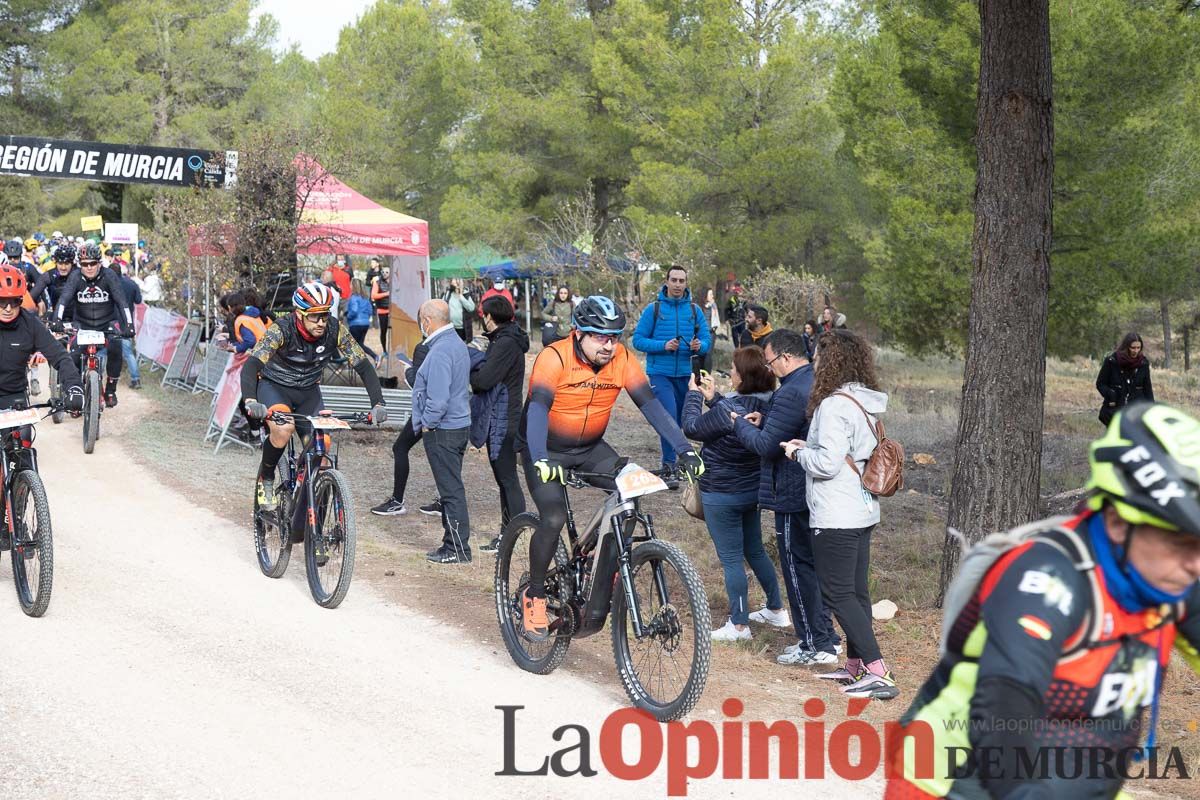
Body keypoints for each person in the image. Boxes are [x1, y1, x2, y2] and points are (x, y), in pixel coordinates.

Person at [887, 402, 1200, 798]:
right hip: (957, 780)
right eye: (1178, 542)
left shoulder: (1170, 577)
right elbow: (1005, 708)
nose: (1195, 563)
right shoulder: (1047, 577)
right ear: (1119, 521)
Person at [518, 295, 705, 639]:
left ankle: (602, 569)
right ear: (578, 333)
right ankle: (536, 595)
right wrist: (540, 458)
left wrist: (683, 450)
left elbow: (651, 406)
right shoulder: (554, 357)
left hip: (590, 448)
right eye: (600, 336)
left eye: (615, 336)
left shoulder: (622, 359)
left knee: (632, 494)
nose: (609, 345)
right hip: (545, 448)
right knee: (554, 516)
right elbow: (538, 408)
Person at [783, 329, 895, 699]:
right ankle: (855, 666)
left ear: (830, 362)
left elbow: (828, 464)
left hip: (836, 512)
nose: (813, 363)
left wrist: (797, 453)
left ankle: (877, 671)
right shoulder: (862, 402)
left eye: (817, 357)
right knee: (857, 593)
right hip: (862, 510)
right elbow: (845, 451)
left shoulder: (832, 405)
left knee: (837, 594)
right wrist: (809, 445)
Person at [731, 329, 841, 665]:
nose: (769, 368)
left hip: (792, 491)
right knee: (812, 566)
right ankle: (827, 638)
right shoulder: (813, 381)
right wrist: (766, 420)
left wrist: (739, 424)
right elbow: (789, 429)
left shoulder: (792, 391)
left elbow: (767, 446)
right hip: (810, 491)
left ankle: (814, 643)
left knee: (797, 568)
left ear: (786, 357)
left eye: (770, 361)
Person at [241, 282, 386, 511]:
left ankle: (306, 497)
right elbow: (251, 365)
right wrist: (250, 400)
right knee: (283, 429)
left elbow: (364, 366)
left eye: (325, 316)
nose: (321, 322)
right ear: (299, 314)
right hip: (275, 387)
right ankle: (266, 478)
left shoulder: (334, 330)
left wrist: (378, 403)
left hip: (308, 392)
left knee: (322, 447)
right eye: (314, 317)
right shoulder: (282, 329)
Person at [682, 346, 782, 642]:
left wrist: (694, 395)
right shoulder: (771, 406)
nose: (731, 373)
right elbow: (731, 414)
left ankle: (739, 625)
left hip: (721, 493)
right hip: (751, 491)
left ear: (744, 377)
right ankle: (776, 609)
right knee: (755, 550)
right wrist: (715, 399)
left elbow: (691, 427)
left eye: (734, 370)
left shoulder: (730, 410)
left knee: (731, 560)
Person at [631, 265, 712, 486]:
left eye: (681, 281)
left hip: (686, 375)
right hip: (660, 374)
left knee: (683, 420)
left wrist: (699, 345)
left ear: (686, 283)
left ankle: (679, 463)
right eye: (674, 280)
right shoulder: (654, 309)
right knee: (668, 418)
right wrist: (663, 345)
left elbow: (706, 340)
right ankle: (669, 466)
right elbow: (637, 340)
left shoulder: (694, 311)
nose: (677, 284)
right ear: (666, 281)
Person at [411, 299, 473, 564]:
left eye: (421, 321)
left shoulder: (440, 351)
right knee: (452, 488)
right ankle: (454, 545)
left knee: (450, 491)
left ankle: (456, 548)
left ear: (427, 320)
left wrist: (427, 423)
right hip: (458, 425)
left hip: (444, 429)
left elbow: (438, 398)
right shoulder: (456, 343)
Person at [470, 295, 530, 553]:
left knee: (507, 479)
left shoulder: (505, 343)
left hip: (505, 418)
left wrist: (471, 366)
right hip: (506, 416)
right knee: (504, 479)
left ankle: (512, 536)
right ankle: (508, 533)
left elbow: (484, 380)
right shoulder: (507, 339)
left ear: (490, 317)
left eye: (484, 315)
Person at [52, 244, 134, 408]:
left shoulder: (109, 275)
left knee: (116, 348)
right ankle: (74, 392)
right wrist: (57, 320)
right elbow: (64, 299)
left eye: (92, 263)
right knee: (73, 355)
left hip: (106, 323)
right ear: (79, 264)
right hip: (82, 324)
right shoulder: (75, 277)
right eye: (84, 264)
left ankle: (110, 390)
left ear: (99, 263)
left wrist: (129, 325)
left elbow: (121, 301)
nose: (88, 268)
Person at [371, 336, 431, 517]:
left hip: (428, 410)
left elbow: (418, 383)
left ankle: (397, 501)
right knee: (443, 458)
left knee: (400, 448)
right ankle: (446, 501)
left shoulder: (423, 347)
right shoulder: (453, 344)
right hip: (451, 412)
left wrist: (408, 370)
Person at [1096, 332, 1153, 426]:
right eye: (1133, 348)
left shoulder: (1143, 363)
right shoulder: (1111, 361)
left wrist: (1151, 409)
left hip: (1136, 411)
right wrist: (1111, 395)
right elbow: (1100, 383)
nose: (1136, 351)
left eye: (1138, 348)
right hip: (1115, 410)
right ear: (1126, 347)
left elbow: (1147, 389)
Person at [117, 261, 143, 389]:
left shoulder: (107, 284)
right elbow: (138, 300)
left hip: (110, 322)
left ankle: (100, 378)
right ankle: (135, 379)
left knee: (103, 352)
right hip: (126, 323)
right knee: (128, 353)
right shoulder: (131, 283)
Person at [344, 278, 379, 363]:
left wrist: (348, 316)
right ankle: (373, 357)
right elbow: (370, 311)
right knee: (359, 344)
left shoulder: (353, 298)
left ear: (354, 286)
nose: (350, 286)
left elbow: (354, 310)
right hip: (365, 324)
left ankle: (354, 363)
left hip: (355, 324)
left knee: (350, 345)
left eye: (351, 285)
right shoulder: (366, 298)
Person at [371, 263, 391, 354]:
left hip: (393, 311)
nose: (384, 273)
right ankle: (384, 350)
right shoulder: (377, 282)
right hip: (382, 311)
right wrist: (386, 294)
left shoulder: (394, 282)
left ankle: (394, 349)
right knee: (383, 331)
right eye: (383, 272)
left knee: (395, 332)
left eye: (387, 272)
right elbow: (373, 295)